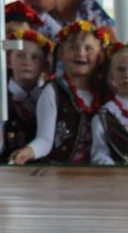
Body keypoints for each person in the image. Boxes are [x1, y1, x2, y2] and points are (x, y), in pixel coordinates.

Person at [10, 21, 109, 165]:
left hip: (103, 172)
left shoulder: (105, 92)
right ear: (61, 53)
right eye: (73, 47)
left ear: (100, 57)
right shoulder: (53, 91)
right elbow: (44, 140)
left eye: (89, 48)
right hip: (62, 172)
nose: (80, 53)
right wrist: (28, 152)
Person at [0, 29, 52, 163]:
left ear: (45, 65)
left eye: (35, 57)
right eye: (20, 55)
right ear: (8, 61)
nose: (27, 62)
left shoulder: (49, 97)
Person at [91, 41, 128, 165]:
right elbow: (99, 154)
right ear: (111, 77)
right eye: (121, 69)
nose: (127, 75)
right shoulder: (104, 115)